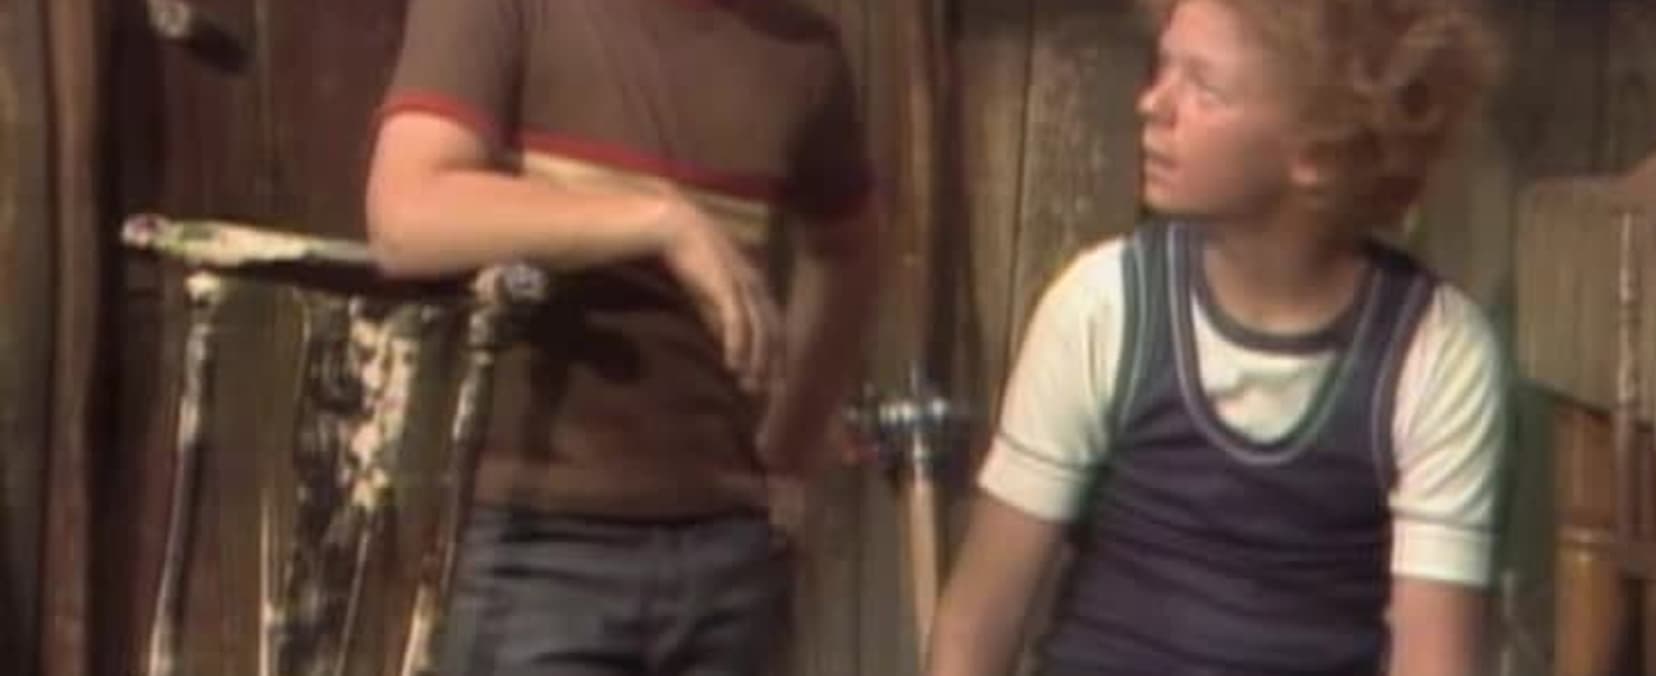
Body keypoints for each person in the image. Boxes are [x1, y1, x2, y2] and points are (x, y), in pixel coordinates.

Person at [928, 0, 1504, 674]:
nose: (1153, 105)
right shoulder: (1103, 307)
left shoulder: (1435, 354)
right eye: (1163, 67)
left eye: (1204, 87)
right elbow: (977, 622)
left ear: (1317, 152)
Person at [364, 0, 879, 673]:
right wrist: (661, 223)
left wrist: (787, 452)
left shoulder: (798, 48)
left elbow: (848, 249)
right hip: (532, 542)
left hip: (728, 552)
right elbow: (407, 213)